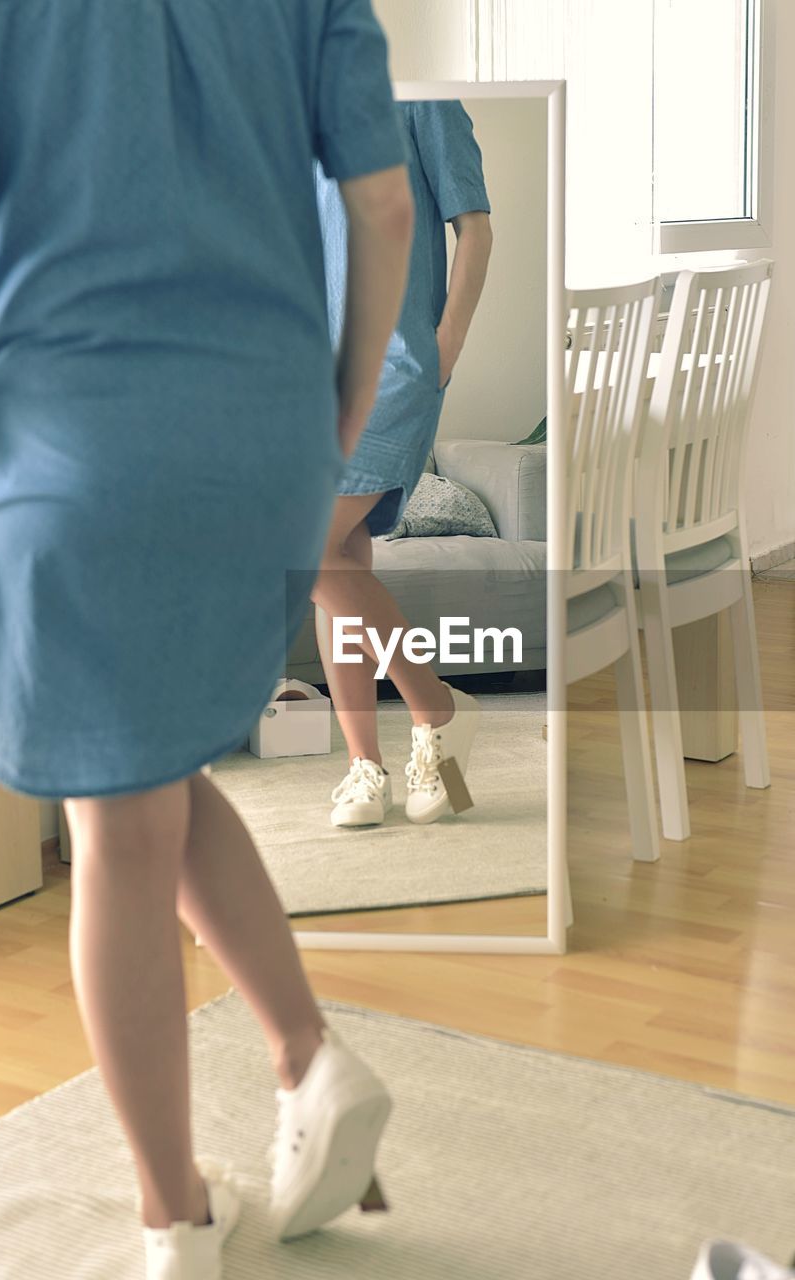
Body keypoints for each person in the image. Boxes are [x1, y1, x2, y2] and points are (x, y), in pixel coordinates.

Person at [0, 2, 414, 1277]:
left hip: (74, 435)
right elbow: (384, 208)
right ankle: (308, 1057)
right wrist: (336, 409)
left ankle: (173, 1217)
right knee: (156, 767)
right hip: (264, 431)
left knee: (116, 813)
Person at [312, 101, 494, 829]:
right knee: (339, 560)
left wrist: (447, 341)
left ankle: (437, 705)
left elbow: (474, 227)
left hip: (392, 362)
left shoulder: (421, 91)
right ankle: (367, 767)